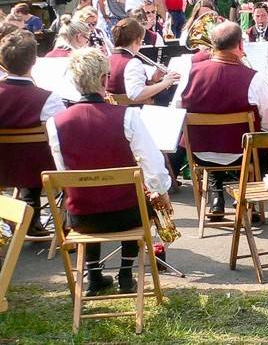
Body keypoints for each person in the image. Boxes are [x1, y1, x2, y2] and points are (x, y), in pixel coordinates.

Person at [46, 47, 171, 296]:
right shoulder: (128, 116)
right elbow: (153, 165)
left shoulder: (55, 123)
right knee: (140, 196)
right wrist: (161, 192)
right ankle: (125, 274)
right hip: (126, 215)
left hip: (82, 218)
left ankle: (93, 276)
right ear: (104, 80)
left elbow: (63, 173)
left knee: (88, 194)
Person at [176, 22, 268, 218]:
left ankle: (216, 196)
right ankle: (247, 194)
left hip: (199, 153)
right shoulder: (255, 79)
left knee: (215, 139)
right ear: (240, 45)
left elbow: (177, 111)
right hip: (243, 154)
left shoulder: (189, 73)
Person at [0, 31, 66, 236]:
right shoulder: (48, 98)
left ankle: (24, 215)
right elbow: (63, 136)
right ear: (34, 62)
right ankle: (45, 218)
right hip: (39, 169)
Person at [107, 18, 180, 104]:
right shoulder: (132, 63)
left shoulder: (108, 59)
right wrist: (165, 83)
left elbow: (126, 87)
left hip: (116, 109)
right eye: (141, 40)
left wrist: (153, 80)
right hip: (134, 110)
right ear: (138, 40)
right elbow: (136, 94)